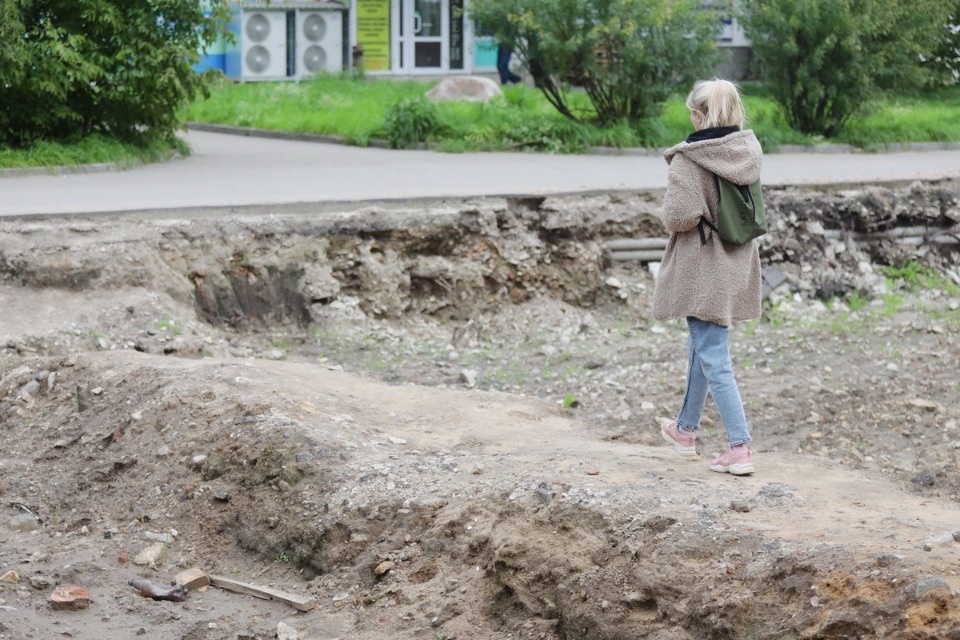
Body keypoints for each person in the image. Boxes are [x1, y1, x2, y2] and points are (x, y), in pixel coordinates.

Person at [652, 78, 763, 476]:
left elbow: (678, 217)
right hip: (736, 262)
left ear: (698, 116)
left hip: (703, 267)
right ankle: (684, 430)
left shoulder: (690, 159)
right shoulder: (747, 150)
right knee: (703, 344)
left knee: (714, 354)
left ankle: (739, 447)